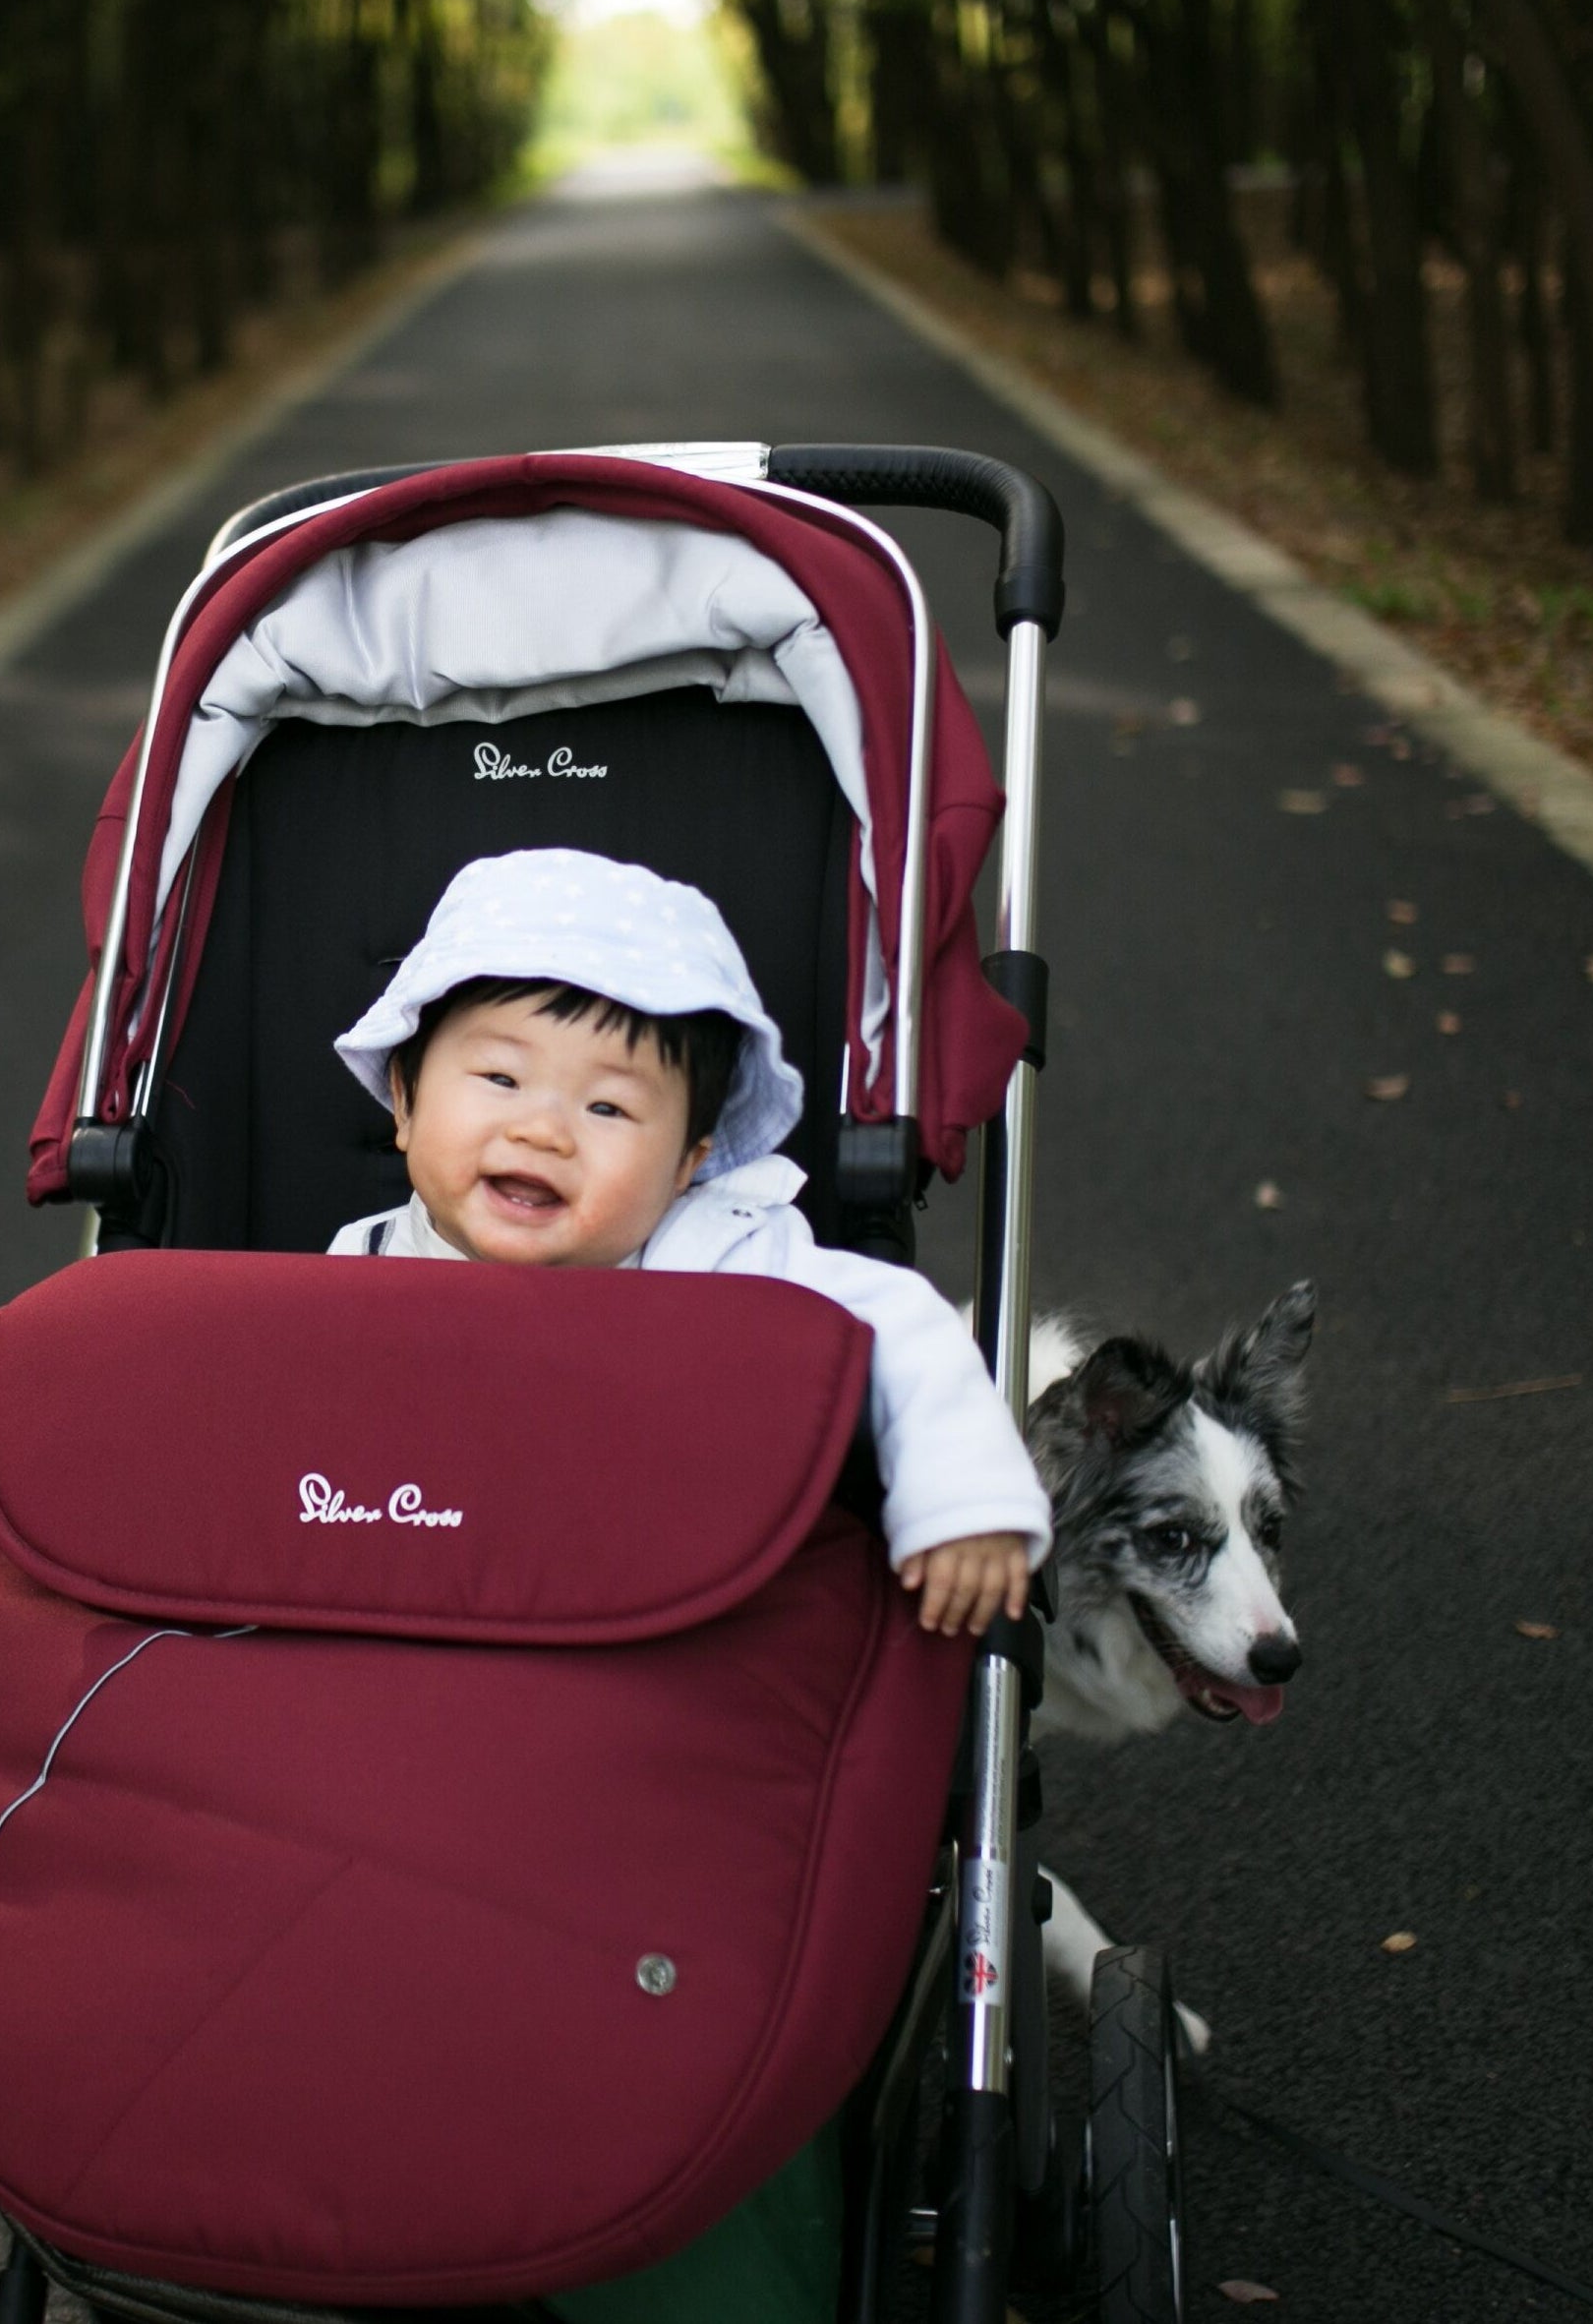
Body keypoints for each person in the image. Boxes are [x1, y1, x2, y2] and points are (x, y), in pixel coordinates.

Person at [327, 850, 1047, 2321]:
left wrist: (965, 1502)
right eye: (497, 1078)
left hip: (659, 1731)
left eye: (609, 1106)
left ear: (698, 1159)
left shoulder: (734, 1263)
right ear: (403, 1102)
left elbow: (899, 1329)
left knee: (707, 2046)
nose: (545, 1124)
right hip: (402, 1720)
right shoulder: (349, 1278)